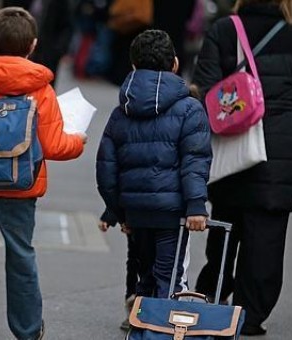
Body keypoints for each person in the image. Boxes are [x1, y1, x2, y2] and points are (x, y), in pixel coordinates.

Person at [191, 0, 292, 335]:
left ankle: (214, 291)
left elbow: (205, 91)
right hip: (280, 153)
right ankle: (249, 316)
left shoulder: (224, 30)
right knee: (266, 239)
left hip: (231, 150)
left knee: (225, 226)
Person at [0, 7, 86, 340]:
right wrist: (79, 141)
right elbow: (54, 146)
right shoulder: (40, 89)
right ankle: (27, 330)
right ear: (33, 45)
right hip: (20, 185)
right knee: (21, 254)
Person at [97, 29, 211, 300]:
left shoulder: (120, 112)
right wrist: (196, 205)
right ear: (174, 63)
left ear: (133, 66)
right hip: (172, 214)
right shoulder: (191, 109)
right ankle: (161, 328)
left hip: (135, 213)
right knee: (169, 278)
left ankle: (142, 325)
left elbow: (106, 168)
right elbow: (195, 161)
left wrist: (117, 210)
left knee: (143, 277)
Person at [97, 208, 138, 331]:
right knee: (140, 261)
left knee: (135, 260)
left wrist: (109, 215)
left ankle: (135, 304)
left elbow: (118, 189)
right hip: (162, 215)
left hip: (134, 213)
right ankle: (137, 305)